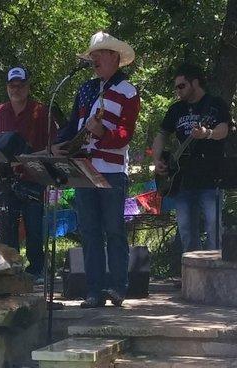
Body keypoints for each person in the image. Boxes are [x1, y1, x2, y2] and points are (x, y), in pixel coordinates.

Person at [53, 32, 140, 308]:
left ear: (115, 57)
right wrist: (56, 144)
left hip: (112, 170)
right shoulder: (86, 89)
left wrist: (102, 134)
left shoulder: (128, 91)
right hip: (83, 168)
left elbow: (126, 135)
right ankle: (94, 290)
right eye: (92, 55)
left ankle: (117, 287)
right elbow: (71, 126)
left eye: (99, 54)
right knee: (89, 231)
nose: (94, 59)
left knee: (114, 229)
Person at [0, 66, 54, 280]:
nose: (16, 89)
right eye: (12, 85)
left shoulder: (41, 112)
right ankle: (12, 268)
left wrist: (29, 160)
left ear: (28, 86)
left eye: (21, 85)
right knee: (7, 227)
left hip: (33, 178)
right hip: (6, 181)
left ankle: (36, 270)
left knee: (34, 227)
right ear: (7, 87)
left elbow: (55, 146)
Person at [152, 64, 229, 252]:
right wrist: (157, 161)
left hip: (211, 178)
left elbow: (224, 130)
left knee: (213, 228)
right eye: (176, 87)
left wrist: (207, 133)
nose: (178, 91)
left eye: (181, 86)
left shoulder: (215, 104)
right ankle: (191, 277)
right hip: (182, 180)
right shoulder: (176, 110)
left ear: (194, 82)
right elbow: (161, 135)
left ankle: (214, 276)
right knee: (186, 231)